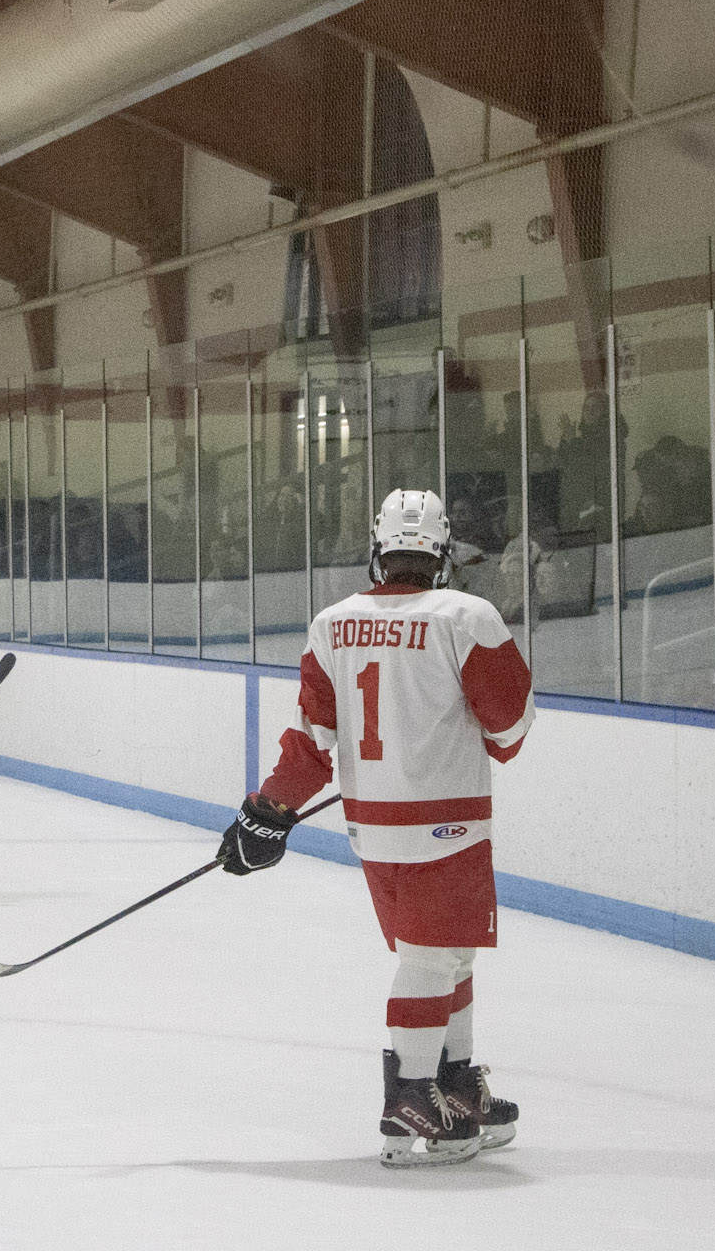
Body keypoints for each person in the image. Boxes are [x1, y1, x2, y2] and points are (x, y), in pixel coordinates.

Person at [217, 488, 535, 1168]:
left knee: (448, 955)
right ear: (442, 553)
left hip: (373, 828)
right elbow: (509, 732)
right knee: (431, 960)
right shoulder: (468, 617)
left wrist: (269, 810)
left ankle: (453, 1084)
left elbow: (311, 743)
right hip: (448, 823)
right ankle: (409, 1103)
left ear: (378, 550)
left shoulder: (331, 624)